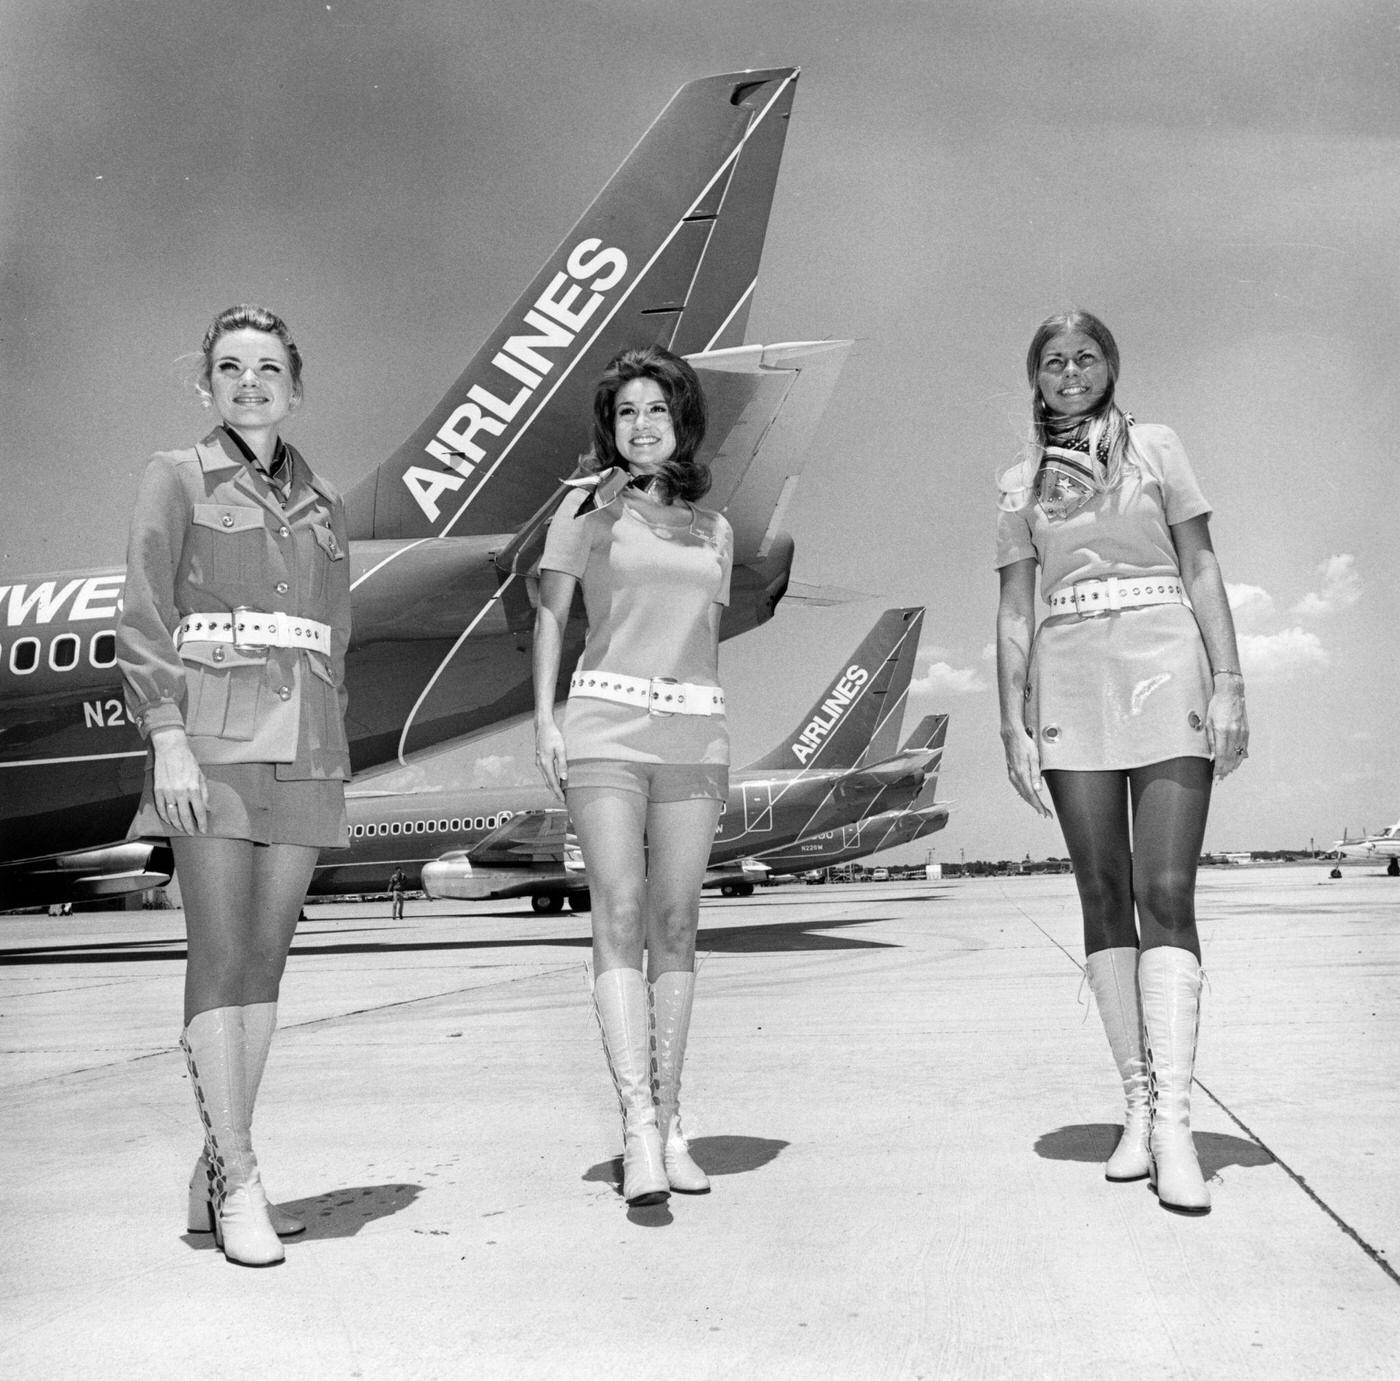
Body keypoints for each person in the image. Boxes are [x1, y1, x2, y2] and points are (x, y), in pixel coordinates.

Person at [995, 310, 1248, 1215]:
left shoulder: (1158, 447)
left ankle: (1177, 1121)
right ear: (1037, 376)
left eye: (1086, 356)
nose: (1071, 371)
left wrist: (1228, 682)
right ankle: (1136, 1105)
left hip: (1162, 658)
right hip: (1069, 675)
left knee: (1164, 889)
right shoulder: (1018, 481)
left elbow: (1203, 566)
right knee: (1101, 890)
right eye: (1054, 360)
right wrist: (1012, 724)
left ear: (1111, 366)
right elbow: (1016, 610)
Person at [116, 305, 351, 1265]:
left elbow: (336, 634)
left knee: (265, 959)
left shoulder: (324, 500)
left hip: (307, 743)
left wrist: (335, 743)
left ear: (294, 383)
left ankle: (216, 1164)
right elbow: (143, 608)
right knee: (217, 955)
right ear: (206, 385)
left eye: (266, 367)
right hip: (210, 739)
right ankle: (243, 1172)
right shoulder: (176, 476)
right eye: (229, 367)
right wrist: (166, 733)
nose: (248, 381)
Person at [533, 345, 732, 1207]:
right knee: (618, 908)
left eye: (656, 409)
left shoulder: (716, 529)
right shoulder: (585, 507)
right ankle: (637, 1128)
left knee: (678, 920)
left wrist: (713, 724)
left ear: (680, 421)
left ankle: (674, 1119)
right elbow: (551, 612)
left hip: (694, 734)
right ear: (609, 428)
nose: (641, 425)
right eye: (626, 413)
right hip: (606, 728)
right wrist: (547, 718)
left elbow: (703, 639)